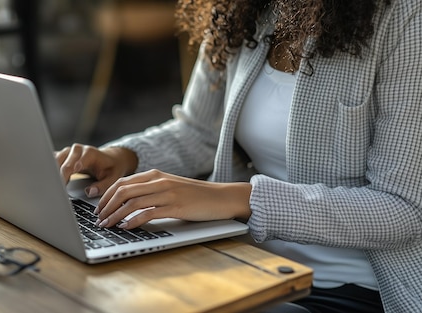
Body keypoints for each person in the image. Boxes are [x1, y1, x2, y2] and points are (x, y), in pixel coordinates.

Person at [56, 0, 422, 312]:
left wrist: (234, 198)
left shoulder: (404, 15)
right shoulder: (240, 8)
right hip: (243, 262)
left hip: (356, 287)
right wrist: (124, 157)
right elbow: (198, 131)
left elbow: (403, 208)